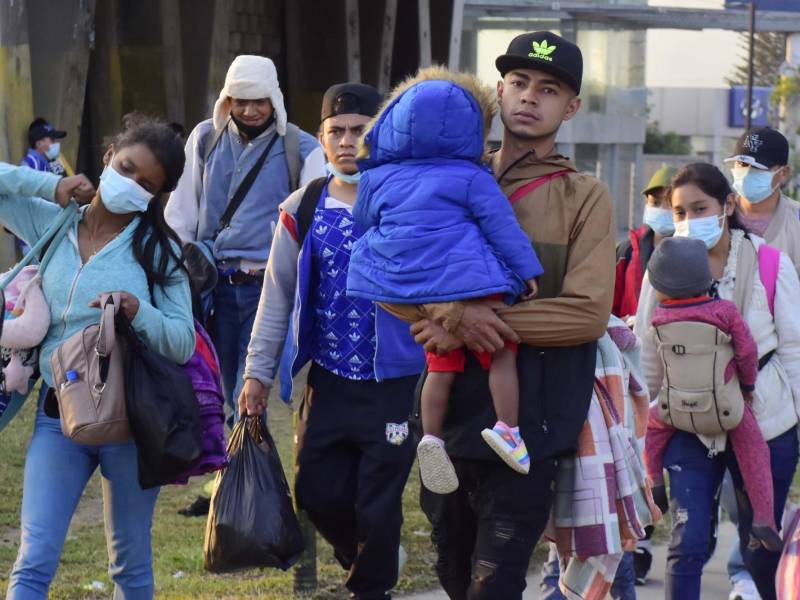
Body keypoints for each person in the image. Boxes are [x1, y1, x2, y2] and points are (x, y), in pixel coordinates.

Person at [382, 31, 616, 599]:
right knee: (453, 574)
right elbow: (389, 272)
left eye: (549, 89)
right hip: (446, 419)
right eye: (518, 83)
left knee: (497, 580)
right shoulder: (446, 178)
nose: (529, 97)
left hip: (529, 423)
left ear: (572, 107)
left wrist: (471, 321)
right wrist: (446, 310)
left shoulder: (585, 196)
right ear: (499, 90)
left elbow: (586, 314)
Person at [240, 82, 424, 600]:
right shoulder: (303, 205)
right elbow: (276, 295)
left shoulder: (408, 202)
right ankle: (370, 560)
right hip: (329, 380)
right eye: (335, 132)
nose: (347, 141)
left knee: (379, 504)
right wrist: (256, 372)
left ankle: (372, 584)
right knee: (316, 493)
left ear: (379, 134)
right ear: (320, 140)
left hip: (396, 381)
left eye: (359, 131)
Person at [4, 118, 196, 599]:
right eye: (126, 168)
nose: (130, 186)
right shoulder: (53, 221)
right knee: (34, 560)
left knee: (129, 566)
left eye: (146, 185)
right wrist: (51, 184)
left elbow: (182, 341)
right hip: (57, 416)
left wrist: (139, 311)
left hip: (130, 421)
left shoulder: (159, 251)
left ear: (158, 196)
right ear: (109, 155)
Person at [346, 68, 543, 494]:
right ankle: (508, 427)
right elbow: (501, 226)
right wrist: (527, 270)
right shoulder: (472, 176)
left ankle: (431, 437)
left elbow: (364, 224)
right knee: (502, 352)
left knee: (439, 366)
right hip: (469, 279)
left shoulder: (376, 178)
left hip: (410, 287)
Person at [634, 162, 800, 600]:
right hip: (687, 424)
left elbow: (794, 349)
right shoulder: (662, 269)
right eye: (680, 211)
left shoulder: (769, 263)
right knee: (686, 543)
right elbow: (646, 350)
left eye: (699, 208)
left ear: (727, 205)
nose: (688, 221)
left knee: (759, 545)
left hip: (763, 423)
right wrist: (640, 420)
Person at [165, 54, 325, 424]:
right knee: (212, 389)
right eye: (241, 100)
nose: (250, 110)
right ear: (227, 101)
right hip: (210, 288)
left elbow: (314, 226)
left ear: (274, 100)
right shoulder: (205, 138)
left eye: (259, 100)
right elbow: (181, 214)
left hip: (265, 290)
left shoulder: (301, 149)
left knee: (249, 392)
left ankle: (245, 477)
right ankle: (228, 474)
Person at [643, 236, 781, 551]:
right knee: (754, 451)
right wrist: (746, 386)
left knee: (651, 432)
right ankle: (764, 519)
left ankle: (654, 484)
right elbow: (747, 352)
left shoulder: (659, 318)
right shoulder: (725, 312)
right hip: (726, 405)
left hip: (676, 406)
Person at [726, 127, 800, 271]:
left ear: (783, 172)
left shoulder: (796, 219)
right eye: (742, 164)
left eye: (757, 167)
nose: (746, 173)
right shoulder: (718, 215)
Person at [613, 165, 677, 324]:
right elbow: (610, 303)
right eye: (655, 202)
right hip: (629, 342)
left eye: (669, 204)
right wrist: (618, 325)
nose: (662, 209)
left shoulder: (695, 252)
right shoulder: (626, 251)